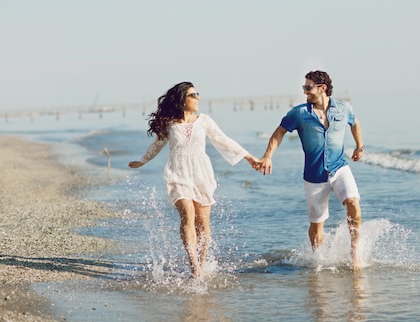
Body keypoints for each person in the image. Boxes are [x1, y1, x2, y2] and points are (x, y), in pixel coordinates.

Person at [129, 81, 259, 278]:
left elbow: (223, 140)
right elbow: (157, 145)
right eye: (193, 95)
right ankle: (194, 266)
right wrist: (142, 161)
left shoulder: (204, 120)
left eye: (198, 94)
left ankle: (202, 260)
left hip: (201, 174)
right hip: (178, 173)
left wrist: (249, 158)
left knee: (203, 223)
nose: (198, 98)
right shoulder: (170, 124)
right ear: (183, 100)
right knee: (187, 213)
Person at [257, 70, 365, 269]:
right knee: (317, 225)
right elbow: (279, 132)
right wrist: (268, 155)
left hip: (340, 168)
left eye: (308, 88)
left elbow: (355, 122)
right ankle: (318, 259)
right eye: (304, 88)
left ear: (322, 88)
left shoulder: (344, 108)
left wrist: (359, 146)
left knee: (353, 204)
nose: (305, 92)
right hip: (314, 177)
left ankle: (355, 254)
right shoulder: (299, 113)